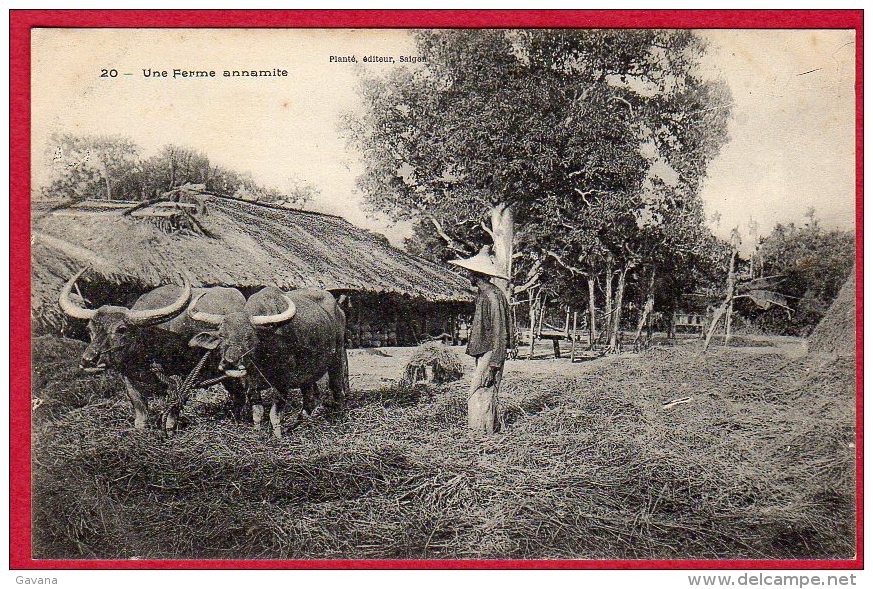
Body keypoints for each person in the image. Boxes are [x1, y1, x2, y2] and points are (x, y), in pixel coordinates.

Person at [449, 245, 511, 435]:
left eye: (470, 271)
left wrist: (494, 364)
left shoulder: (493, 296)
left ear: (476, 274)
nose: (468, 274)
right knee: (480, 392)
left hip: (491, 352)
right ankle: (479, 431)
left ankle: (484, 434)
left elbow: (500, 332)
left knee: (482, 390)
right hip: (485, 351)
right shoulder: (484, 295)